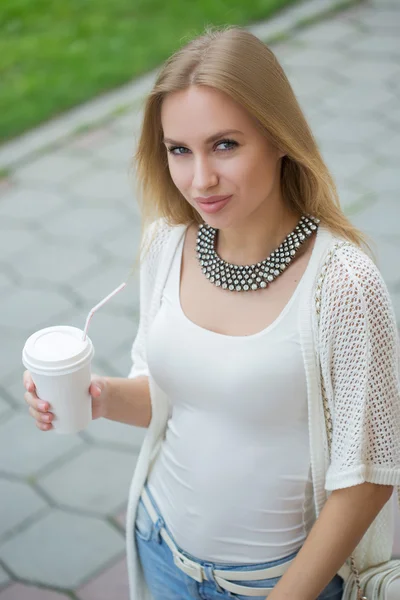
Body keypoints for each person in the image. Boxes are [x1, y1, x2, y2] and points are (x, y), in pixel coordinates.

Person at [23, 26, 400, 600]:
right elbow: (168, 396)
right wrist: (94, 396)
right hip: (159, 546)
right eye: (180, 150)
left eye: (225, 144)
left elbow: (368, 478)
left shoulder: (342, 284)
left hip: (273, 584)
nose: (200, 179)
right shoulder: (166, 243)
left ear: (279, 138)